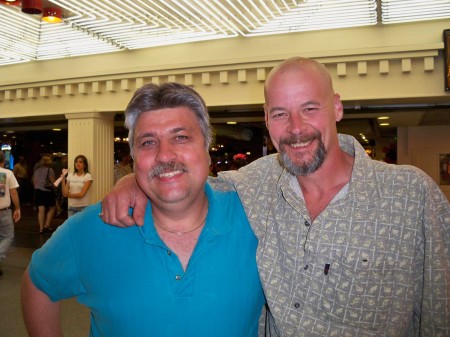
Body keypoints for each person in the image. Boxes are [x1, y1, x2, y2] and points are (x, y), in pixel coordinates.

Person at [101, 57, 450, 336]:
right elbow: (185, 181)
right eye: (280, 114)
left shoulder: (411, 195)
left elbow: (440, 312)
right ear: (267, 119)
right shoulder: (257, 183)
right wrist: (133, 178)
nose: (296, 128)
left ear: (337, 108)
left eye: (310, 108)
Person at [21, 82, 264, 337]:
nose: (165, 155)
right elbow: (37, 285)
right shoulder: (95, 226)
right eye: (148, 142)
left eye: (180, 137)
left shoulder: (255, 219)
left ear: (207, 151)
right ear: (134, 158)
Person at [0, 150, 21, 276]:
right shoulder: (7, 173)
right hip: (3, 212)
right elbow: (13, 193)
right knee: (7, 236)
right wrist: (17, 208)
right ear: (4, 160)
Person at [32, 155, 56, 234]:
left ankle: (41, 228)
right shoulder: (50, 170)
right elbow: (53, 183)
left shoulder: (37, 170)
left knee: (41, 210)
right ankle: (47, 225)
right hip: (47, 191)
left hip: (38, 191)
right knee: (52, 207)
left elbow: (34, 181)